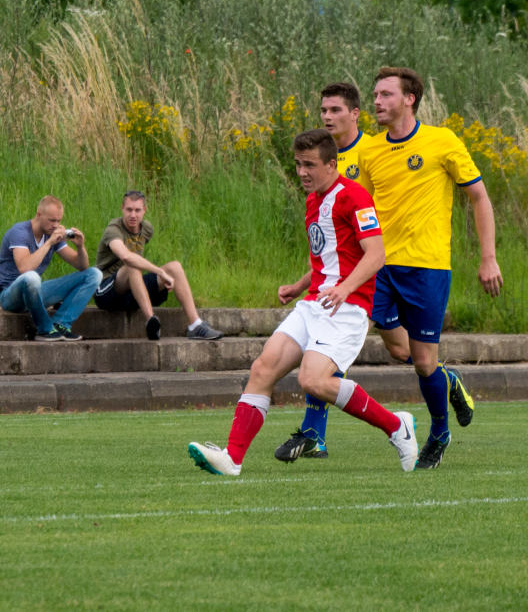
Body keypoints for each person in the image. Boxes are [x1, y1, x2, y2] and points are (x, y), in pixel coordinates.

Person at [188, 129, 418, 476]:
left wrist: (344, 288)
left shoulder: (354, 197)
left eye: (309, 165)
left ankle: (396, 426)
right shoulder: (313, 199)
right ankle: (232, 459)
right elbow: (331, 258)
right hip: (314, 304)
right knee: (263, 369)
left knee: (313, 381)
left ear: (331, 163)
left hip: (349, 307)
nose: (302, 172)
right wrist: (298, 286)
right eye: (297, 164)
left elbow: (376, 255)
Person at [356, 67, 501, 469]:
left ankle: (439, 431)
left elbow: (479, 197)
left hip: (427, 269)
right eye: (375, 95)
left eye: (385, 95)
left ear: (409, 99)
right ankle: (447, 380)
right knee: (395, 348)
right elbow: (362, 212)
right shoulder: (370, 151)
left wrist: (487, 257)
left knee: (422, 363)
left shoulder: (442, 141)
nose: (377, 102)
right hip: (381, 267)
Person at [276, 82, 380, 460]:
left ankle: (432, 401)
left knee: (411, 353)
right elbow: (326, 248)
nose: (327, 116)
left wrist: (348, 283)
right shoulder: (317, 158)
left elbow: (372, 234)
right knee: (319, 353)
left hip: (377, 262)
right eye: (323, 110)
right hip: (341, 274)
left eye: (335, 110)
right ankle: (313, 434)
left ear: (355, 113)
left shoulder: (373, 150)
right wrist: (303, 282)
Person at [93, 190, 222, 341]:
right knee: (132, 265)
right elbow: (126, 256)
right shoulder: (113, 229)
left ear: (145, 210)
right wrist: (159, 272)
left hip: (132, 291)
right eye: (129, 210)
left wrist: (162, 275)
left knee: (175, 267)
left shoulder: (147, 229)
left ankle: (195, 325)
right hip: (106, 292)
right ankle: (151, 322)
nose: (133, 215)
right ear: (122, 208)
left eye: (137, 210)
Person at [0, 195, 101, 341]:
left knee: (94, 274)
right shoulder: (20, 232)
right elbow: (25, 268)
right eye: (52, 220)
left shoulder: (51, 234)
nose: (56, 225)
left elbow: (82, 266)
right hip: (9, 296)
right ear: (39, 215)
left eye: (59, 221)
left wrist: (80, 246)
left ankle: (60, 325)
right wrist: (49, 243)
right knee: (31, 277)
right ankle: (44, 329)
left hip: (34, 294)